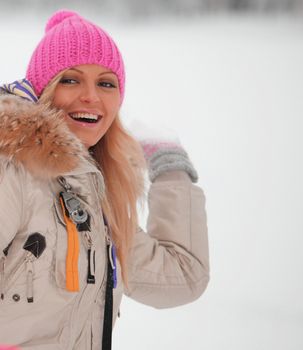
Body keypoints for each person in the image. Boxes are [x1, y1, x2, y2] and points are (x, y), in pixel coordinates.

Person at [0, 9, 209, 350]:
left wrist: (171, 169)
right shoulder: (12, 168)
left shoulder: (94, 195)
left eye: (106, 83)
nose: (91, 96)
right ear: (43, 89)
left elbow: (182, 277)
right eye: (70, 79)